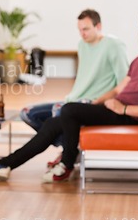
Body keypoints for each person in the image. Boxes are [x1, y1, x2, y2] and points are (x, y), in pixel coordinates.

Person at [0, 10, 138, 183]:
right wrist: (96, 104)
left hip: (129, 115)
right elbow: (117, 90)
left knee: (69, 110)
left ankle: (67, 163)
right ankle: (3, 165)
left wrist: (123, 109)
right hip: (113, 108)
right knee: (53, 124)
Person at [21, 9, 128, 152]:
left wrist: (102, 101)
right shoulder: (82, 45)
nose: (82, 33)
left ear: (98, 27)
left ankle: (67, 156)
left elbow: (125, 81)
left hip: (93, 102)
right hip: (74, 99)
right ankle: (69, 148)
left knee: (58, 111)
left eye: (86, 29)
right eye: (80, 30)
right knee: (27, 113)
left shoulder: (114, 45)